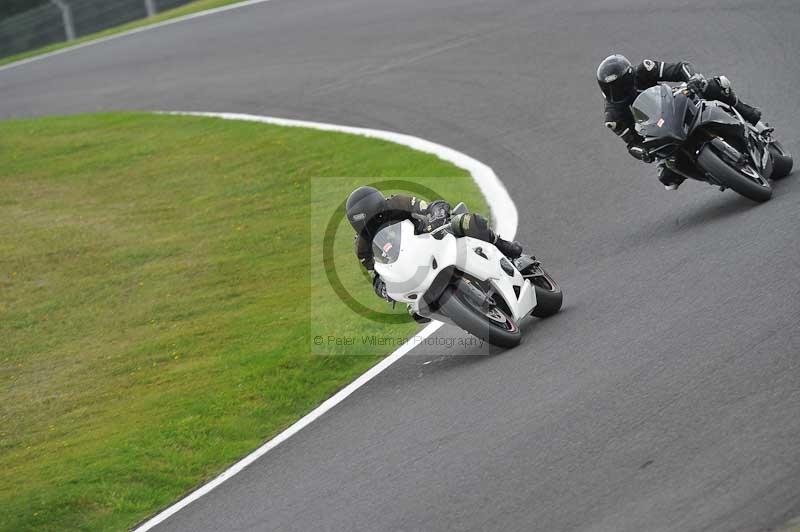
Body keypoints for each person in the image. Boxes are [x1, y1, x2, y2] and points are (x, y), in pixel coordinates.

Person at [345, 186, 522, 322]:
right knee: (416, 311)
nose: (376, 225)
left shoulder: (397, 202)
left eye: (378, 218)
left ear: (382, 208)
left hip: (432, 236)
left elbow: (433, 206)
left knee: (468, 222)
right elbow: (377, 273)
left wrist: (437, 217)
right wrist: (382, 288)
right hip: (413, 268)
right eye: (370, 225)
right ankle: (465, 314)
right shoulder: (362, 247)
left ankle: (503, 245)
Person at [597, 54, 763, 190]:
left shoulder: (644, 70)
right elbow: (631, 143)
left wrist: (692, 79)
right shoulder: (613, 116)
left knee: (716, 85)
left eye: (621, 85)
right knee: (667, 179)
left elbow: (678, 68)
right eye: (612, 89)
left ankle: (752, 118)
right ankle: (716, 174)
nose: (618, 91)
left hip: (674, 104)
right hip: (659, 133)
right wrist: (644, 152)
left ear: (630, 76)